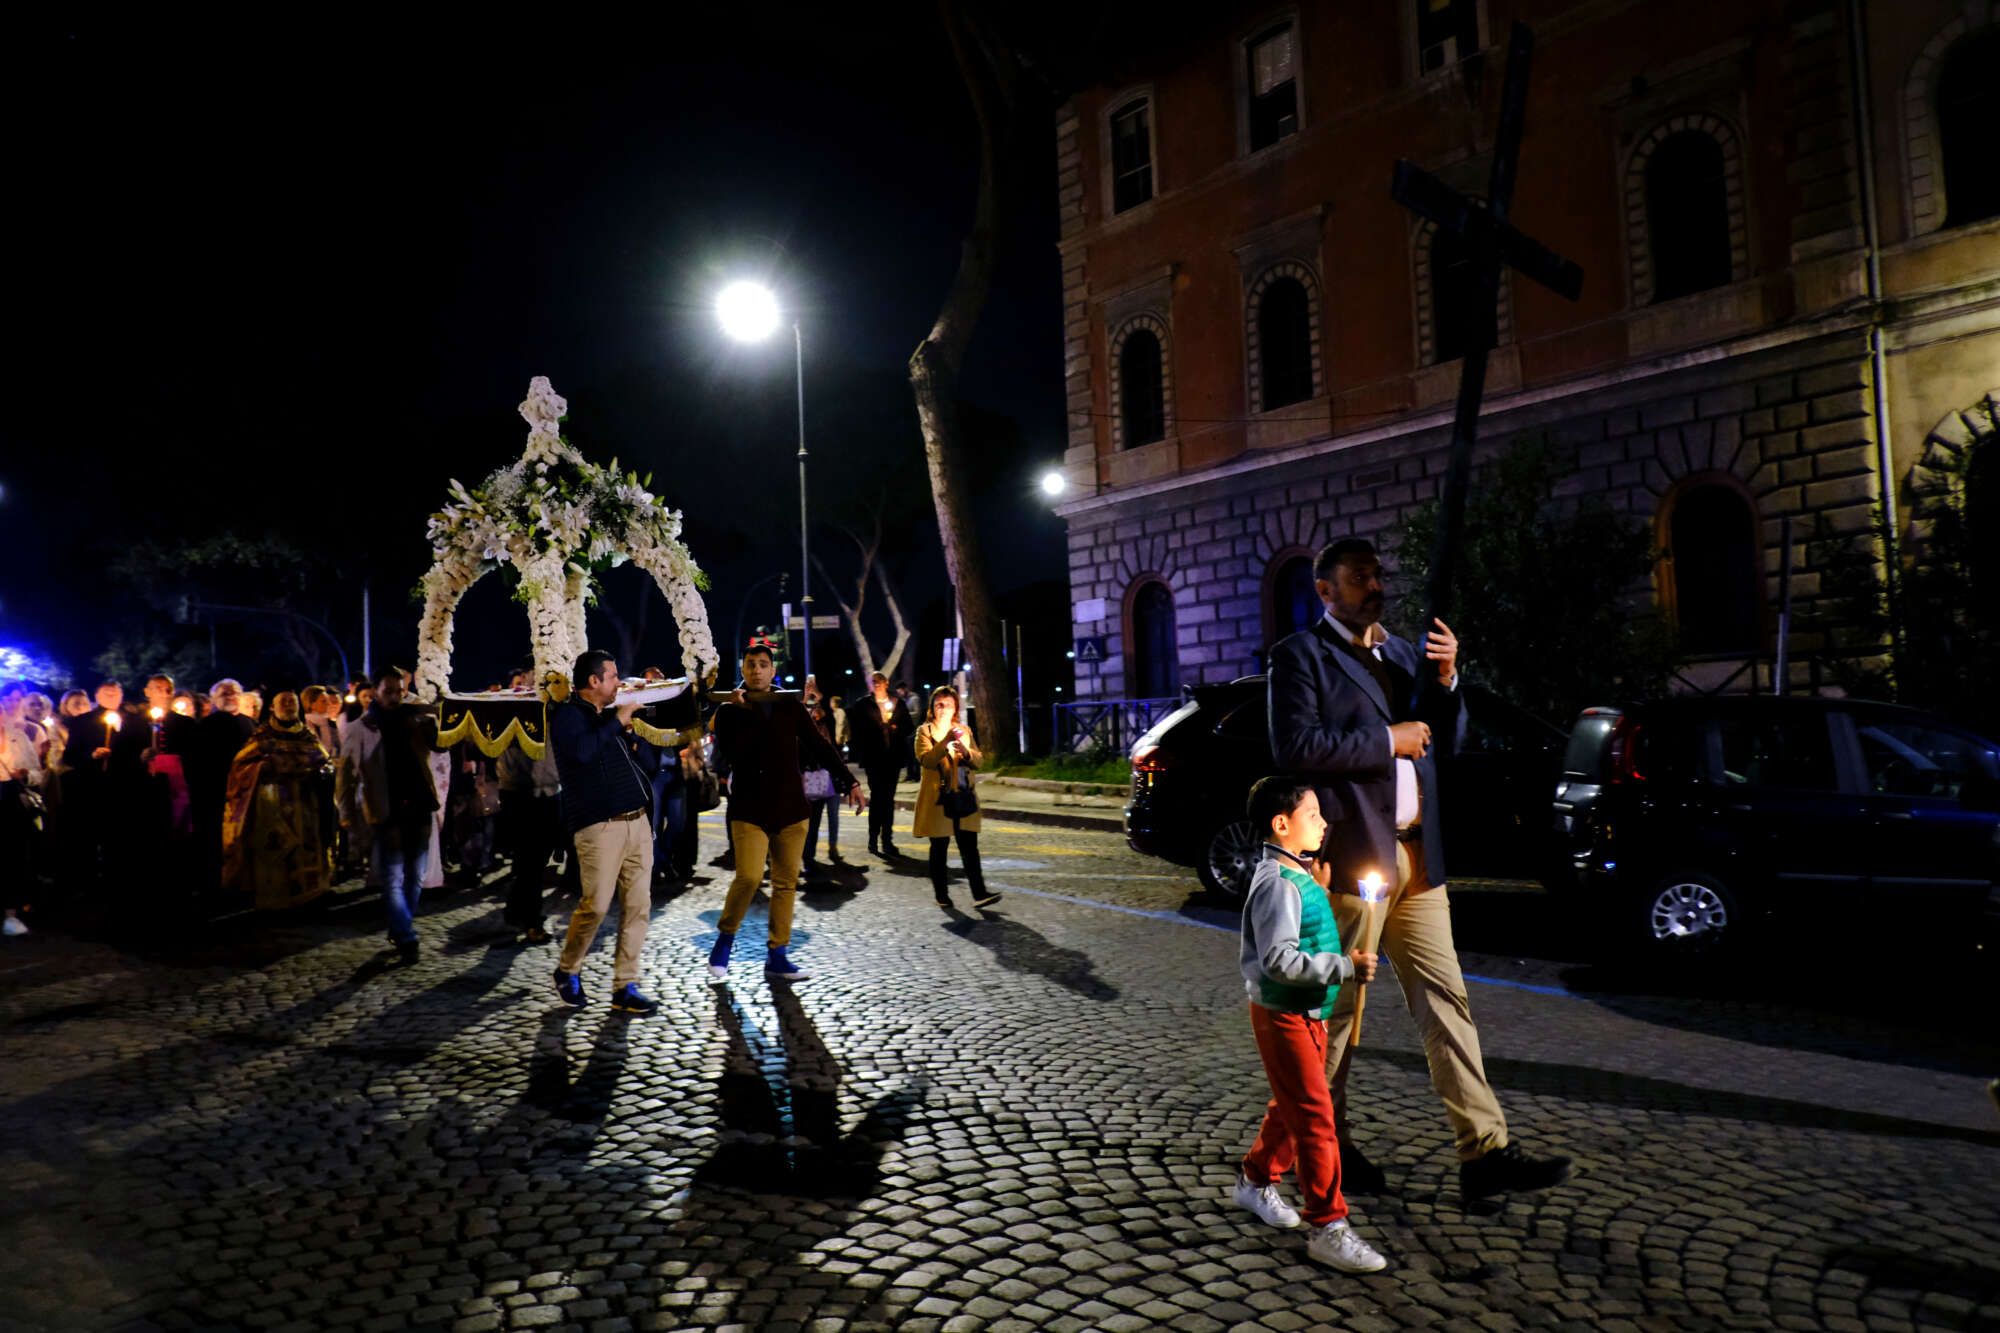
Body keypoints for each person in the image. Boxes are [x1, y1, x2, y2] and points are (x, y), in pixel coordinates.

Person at [1268, 537, 1570, 1203]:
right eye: (1359, 578)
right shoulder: (1299, 656)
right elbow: (1294, 746)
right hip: (1352, 857)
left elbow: (1443, 742)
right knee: (1339, 1013)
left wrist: (1447, 680)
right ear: (1325, 590)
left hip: (1418, 857)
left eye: (1378, 575)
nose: (1375, 587)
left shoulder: (1405, 654)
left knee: (1446, 1000)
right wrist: (1386, 739)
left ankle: (1484, 1151)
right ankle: (1326, 1147)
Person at [1234, 776, 1387, 1273]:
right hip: (1284, 1014)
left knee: (1292, 1105)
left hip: (1306, 1012)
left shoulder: (1295, 875)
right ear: (1282, 824)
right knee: (1316, 1117)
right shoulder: (1277, 884)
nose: (1324, 823)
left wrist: (1316, 888)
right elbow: (1279, 960)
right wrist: (1345, 967)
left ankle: (1255, 1181)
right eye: (1313, 814)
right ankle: (1328, 1226)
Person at [707, 644, 863, 983]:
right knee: (749, 877)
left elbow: (819, 745)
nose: (757, 670)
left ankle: (778, 955)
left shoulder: (789, 705)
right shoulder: (729, 711)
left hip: (791, 809)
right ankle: (725, 939)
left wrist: (849, 781)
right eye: (751, 664)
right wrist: (743, 710)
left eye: (763, 664)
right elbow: (735, 754)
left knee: (785, 883)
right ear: (742, 669)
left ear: (773, 670)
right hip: (749, 808)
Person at [548, 650, 661, 1015]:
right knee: (595, 906)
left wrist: (631, 733)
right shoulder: (567, 715)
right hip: (599, 827)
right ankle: (567, 970)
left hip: (636, 822)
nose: (619, 682)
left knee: (639, 906)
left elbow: (646, 765)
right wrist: (616, 723)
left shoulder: (609, 718)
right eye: (612, 676)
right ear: (593, 681)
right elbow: (582, 753)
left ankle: (625, 986)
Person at [336, 668, 440, 963]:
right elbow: (345, 776)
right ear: (375, 692)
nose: (395, 697)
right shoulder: (361, 728)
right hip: (387, 809)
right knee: (393, 877)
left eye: (399, 691)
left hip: (419, 803)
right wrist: (347, 816)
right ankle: (406, 936)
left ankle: (400, 926)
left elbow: (441, 744)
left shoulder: (415, 719)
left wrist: (431, 720)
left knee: (415, 876)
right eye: (388, 691)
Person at [221, 689, 334, 910]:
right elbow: (240, 767)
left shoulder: (307, 737)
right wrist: (263, 768)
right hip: (272, 803)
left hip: (305, 803)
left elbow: (324, 761)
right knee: (276, 849)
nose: (289, 705)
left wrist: (321, 772)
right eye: (283, 701)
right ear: (273, 707)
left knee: (306, 847)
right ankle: (276, 898)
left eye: (292, 702)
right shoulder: (262, 737)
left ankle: (310, 895)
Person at [912, 686, 1000, 909]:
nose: (943, 709)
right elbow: (927, 760)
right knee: (939, 847)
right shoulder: (925, 731)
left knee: (970, 847)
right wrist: (945, 743)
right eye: (939, 704)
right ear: (932, 708)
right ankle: (942, 896)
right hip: (939, 798)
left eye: (948, 705)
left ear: (955, 708)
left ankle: (979, 894)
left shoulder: (964, 730)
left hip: (963, 795)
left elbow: (978, 761)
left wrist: (966, 752)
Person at [497, 740, 560, 944]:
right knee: (530, 860)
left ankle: (515, 910)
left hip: (550, 791)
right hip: (519, 793)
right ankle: (532, 921)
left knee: (536, 860)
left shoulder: (555, 720)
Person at [847, 671, 913, 859]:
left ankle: (887, 840)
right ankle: (873, 839)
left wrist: (894, 728)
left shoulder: (897, 702)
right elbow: (857, 730)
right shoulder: (863, 704)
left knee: (889, 799)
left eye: (878, 681)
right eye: (872, 681)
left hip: (893, 758)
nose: (875, 684)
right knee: (877, 798)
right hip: (874, 758)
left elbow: (909, 727)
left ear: (886, 683)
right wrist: (876, 730)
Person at [2, 682, 47, 936]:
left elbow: (37, 773)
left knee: (12, 857)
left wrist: (26, 775)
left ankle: (10, 913)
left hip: (11, 801)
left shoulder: (19, 738)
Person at [800, 697, 845, 875]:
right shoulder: (804, 731)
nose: (815, 712)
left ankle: (831, 848)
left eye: (818, 708)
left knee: (833, 815)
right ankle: (808, 858)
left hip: (831, 778)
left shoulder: (827, 727)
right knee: (813, 821)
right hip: (814, 778)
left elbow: (834, 753)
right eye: (812, 708)